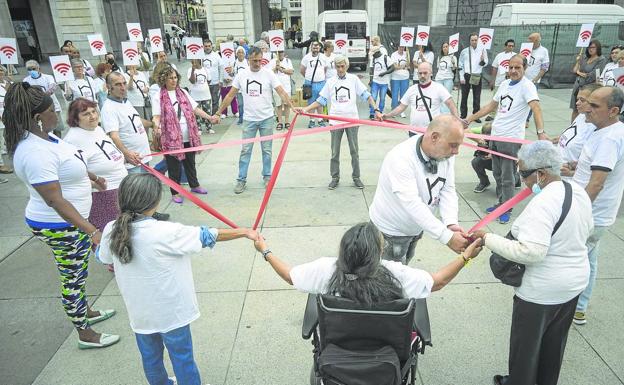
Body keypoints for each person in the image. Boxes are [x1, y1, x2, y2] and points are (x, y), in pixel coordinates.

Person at [98, 173, 259, 385]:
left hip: (140, 313)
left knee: (151, 359)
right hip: (171, 312)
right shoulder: (166, 231)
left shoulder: (112, 228)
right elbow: (208, 235)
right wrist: (245, 232)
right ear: (154, 201)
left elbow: (103, 256)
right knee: (183, 359)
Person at [3, 82, 119, 349]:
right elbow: (54, 199)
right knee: (72, 277)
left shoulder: (47, 136)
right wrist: (92, 230)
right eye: (52, 109)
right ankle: (84, 333)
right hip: (59, 225)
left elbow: (69, 160)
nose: (57, 112)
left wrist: (91, 177)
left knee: (79, 272)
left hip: (70, 220)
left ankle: (85, 311)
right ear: (38, 117)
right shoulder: (35, 152)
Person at [472, 140, 593, 385]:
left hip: (541, 292)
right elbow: (588, 230)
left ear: (541, 174)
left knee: (525, 350)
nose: (523, 180)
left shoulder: (544, 203)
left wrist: (487, 238)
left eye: (523, 173)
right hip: (573, 284)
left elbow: (531, 252)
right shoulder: (576, 190)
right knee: (553, 345)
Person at [254, 221, 482, 305]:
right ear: (380, 251)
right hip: (385, 349)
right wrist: (465, 258)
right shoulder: (395, 274)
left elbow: (288, 275)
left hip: (339, 345)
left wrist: (265, 251)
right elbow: (438, 282)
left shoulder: (325, 269)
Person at [369, 115, 470, 264]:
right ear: (434, 137)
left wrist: (451, 222)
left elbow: (447, 189)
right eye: (453, 145)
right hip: (390, 232)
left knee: (405, 266)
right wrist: (446, 237)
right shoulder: (401, 158)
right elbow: (411, 203)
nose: (456, 152)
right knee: (389, 280)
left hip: (416, 227)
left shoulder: (446, 154)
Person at [563, 86, 624, 325]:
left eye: (595, 106)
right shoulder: (605, 130)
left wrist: (577, 213)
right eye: (587, 102)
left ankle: (572, 306)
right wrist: (577, 166)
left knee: (575, 259)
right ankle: (579, 306)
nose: (586, 108)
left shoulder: (610, 138)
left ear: (614, 111)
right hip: (595, 213)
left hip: (592, 215)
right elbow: (595, 168)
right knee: (590, 257)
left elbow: (597, 183)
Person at [465, 54, 546, 224]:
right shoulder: (504, 84)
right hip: (496, 136)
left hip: (511, 139)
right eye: (511, 67)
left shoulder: (527, 86)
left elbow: (536, 108)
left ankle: (507, 208)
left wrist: (541, 133)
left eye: (518, 67)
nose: (514, 71)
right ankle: (501, 202)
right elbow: (490, 107)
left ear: (524, 68)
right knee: (498, 173)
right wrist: (469, 119)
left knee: (508, 177)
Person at [213, 46, 294, 194]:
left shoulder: (269, 74)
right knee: (245, 150)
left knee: (267, 150)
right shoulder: (242, 75)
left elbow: (281, 91)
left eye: (260, 60)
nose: (257, 63)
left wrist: (292, 106)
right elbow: (230, 95)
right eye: (254, 60)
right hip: (249, 120)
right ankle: (241, 179)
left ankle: (267, 177)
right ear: (248, 59)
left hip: (267, 119)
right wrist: (218, 112)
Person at [298, 55, 383, 190]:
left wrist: (377, 109)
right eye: (338, 66)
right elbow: (321, 100)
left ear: (347, 66)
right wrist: (306, 109)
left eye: (343, 66)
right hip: (335, 121)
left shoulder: (353, 79)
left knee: (354, 151)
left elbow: (366, 95)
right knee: (334, 152)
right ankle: (335, 177)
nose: (340, 69)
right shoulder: (330, 81)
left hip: (352, 120)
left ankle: (356, 177)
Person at [151, 66, 215, 204]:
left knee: (190, 163)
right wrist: (156, 126)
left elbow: (195, 109)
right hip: (171, 139)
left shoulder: (183, 93)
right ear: (164, 80)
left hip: (188, 136)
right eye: (170, 78)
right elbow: (156, 116)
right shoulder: (158, 97)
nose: (173, 80)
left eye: (175, 77)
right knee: (173, 167)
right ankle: (175, 192)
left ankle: (194, 185)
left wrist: (209, 118)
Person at [63, 98, 127, 232]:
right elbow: (70, 172)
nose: (92, 116)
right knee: (110, 235)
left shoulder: (97, 129)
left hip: (121, 189)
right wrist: (93, 183)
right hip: (102, 196)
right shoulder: (72, 140)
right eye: (86, 114)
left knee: (123, 231)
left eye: (94, 111)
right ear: (75, 118)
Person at [383, 62, 459, 137]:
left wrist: (457, 121)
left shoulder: (438, 88)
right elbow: (401, 107)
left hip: (432, 133)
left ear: (431, 73)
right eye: (420, 73)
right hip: (414, 132)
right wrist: (386, 116)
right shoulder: (412, 89)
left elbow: (450, 103)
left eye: (425, 73)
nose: (422, 75)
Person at [555, 84, 600, 182]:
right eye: (578, 99)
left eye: (582, 100)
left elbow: (596, 171)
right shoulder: (581, 116)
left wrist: (571, 173)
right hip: (559, 177)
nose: (577, 103)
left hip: (572, 183)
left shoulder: (596, 129)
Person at [23, 60, 64, 136]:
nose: (32, 71)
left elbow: (52, 87)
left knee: (57, 128)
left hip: (53, 106)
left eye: (33, 68)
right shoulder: (26, 80)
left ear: (38, 68)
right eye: (29, 69)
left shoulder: (48, 77)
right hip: (39, 109)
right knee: (45, 129)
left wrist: (44, 96)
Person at [571, 39, 606, 122]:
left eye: (593, 47)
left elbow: (592, 75)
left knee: (587, 110)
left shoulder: (601, 59)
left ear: (598, 48)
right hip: (578, 86)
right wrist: (578, 62)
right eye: (589, 47)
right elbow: (574, 71)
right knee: (575, 109)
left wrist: (579, 73)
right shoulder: (585, 58)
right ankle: (572, 127)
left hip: (588, 89)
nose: (590, 49)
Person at [459, 33, 488, 122]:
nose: (474, 42)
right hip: (467, 75)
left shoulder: (482, 50)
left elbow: (485, 63)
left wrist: (483, 60)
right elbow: (460, 64)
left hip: (477, 75)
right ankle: (463, 115)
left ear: (478, 40)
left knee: (477, 96)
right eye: (472, 40)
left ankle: (476, 116)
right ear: (469, 41)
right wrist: (461, 76)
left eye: (476, 40)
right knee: (464, 96)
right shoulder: (464, 51)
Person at [301, 41, 328, 128]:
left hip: (321, 83)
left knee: (320, 102)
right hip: (309, 83)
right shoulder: (306, 58)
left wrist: (319, 77)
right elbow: (302, 70)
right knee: (311, 102)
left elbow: (325, 69)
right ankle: (312, 120)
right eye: (314, 46)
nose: (315, 48)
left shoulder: (323, 57)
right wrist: (308, 78)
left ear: (320, 48)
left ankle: (320, 120)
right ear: (311, 47)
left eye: (317, 46)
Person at [269, 51, 294, 131]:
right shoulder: (272, 61)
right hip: (276, 86)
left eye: (281, 52)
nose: (280, 54)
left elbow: (291, 72)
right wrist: (275, 68)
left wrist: (282, 69)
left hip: (286, 86)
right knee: (278, 105)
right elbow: (269, 73)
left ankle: (287, 121)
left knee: (287, 104)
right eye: (278, 52)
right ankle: (279, 122)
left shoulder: (287, 61)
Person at [188, 59, 214, 133]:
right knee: (196, 114)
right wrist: (193, 71)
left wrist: (203, 87)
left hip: (206, 95)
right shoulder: (190, 70)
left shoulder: (205, 69)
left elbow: (209, 80)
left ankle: (209, 128)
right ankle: (198, 128)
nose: (194, 62)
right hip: (195, 96)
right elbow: (192, 81)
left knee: (207, 112)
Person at [369, 45, 394, 120]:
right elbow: (371, 69)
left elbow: (393, 67)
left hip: (384, 83)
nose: (372, 55)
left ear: (377, 52)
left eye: (373, 54)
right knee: (373, 98)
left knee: (382, 98)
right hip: (375, 82)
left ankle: (380, 112)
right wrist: (371, 79)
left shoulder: (385, 58)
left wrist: (385, 73)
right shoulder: (373, 59)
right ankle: (372, 113)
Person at [202, 39, 222, 125]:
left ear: (211, 46)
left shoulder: (216, 56)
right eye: (205, 46)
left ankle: (214, 118)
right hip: (204, 83)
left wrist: (220, 80)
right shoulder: (200, 56)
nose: (207, 48)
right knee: (205, 102)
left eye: (209, 46)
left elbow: (221, 68)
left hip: (215, 82)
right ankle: (205, 118)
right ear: (203, 46)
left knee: (215, 101)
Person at [390, 45, 410, 118]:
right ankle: (394, 110)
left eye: (402, 47)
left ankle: (401, 111)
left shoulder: (406, 53)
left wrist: (407, 54)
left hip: (405, 77)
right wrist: (403, 67)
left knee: (403, 95)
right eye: (400, 47)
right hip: (395, 77)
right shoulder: (394, 55)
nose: (401, 48)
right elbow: (394, 66)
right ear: (397, 47)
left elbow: (408, 65)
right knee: (395, 95)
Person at [0, 65, 13, 175]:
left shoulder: (9, 83)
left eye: (1, 70)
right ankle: (0, 164)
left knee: (11, 137)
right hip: (0, 117)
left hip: (10, 115)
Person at [219, 55, 238, 119]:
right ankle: (224, 112)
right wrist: (222, 79)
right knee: (224, 98)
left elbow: (234, 72)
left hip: (231, 83)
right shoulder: (220, 61)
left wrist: (231, 78)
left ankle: (235, 111)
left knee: (233, 98)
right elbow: (220, 71)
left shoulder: (233, 61)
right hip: (224, 84)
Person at [233, 46, 249, 125]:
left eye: (242, 52)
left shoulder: (247, 62)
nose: (240, 54)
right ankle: (241, 118)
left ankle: (248, 118)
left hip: (247, 86)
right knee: (240, 104)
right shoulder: (234, 62)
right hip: (238, 87)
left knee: (248, 103)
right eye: (239, 52)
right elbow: (233, 74)